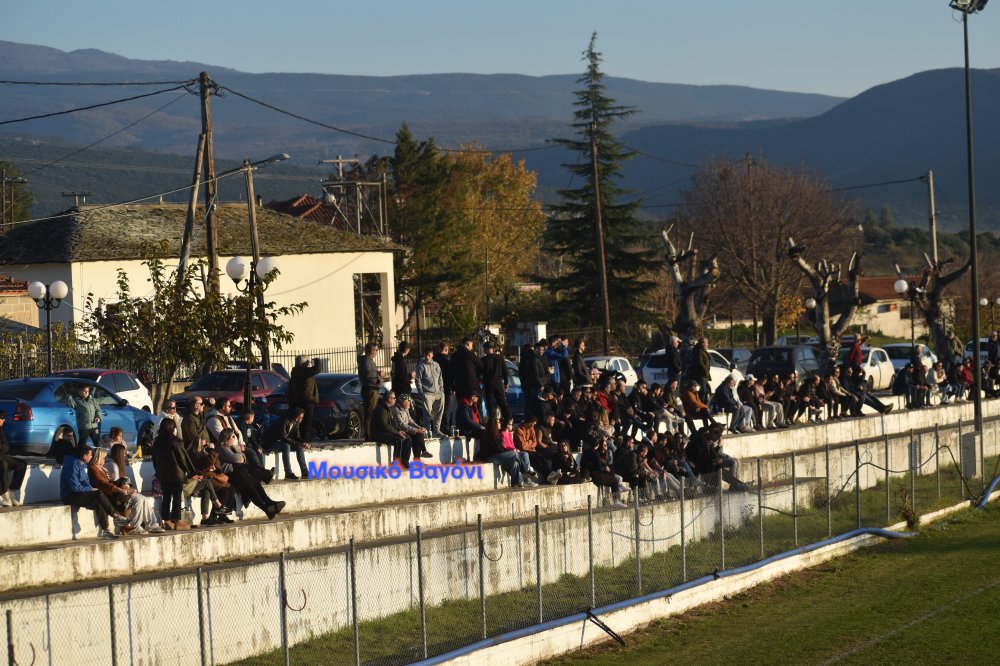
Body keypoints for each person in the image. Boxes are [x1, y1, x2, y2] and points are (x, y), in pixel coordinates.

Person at [88, 447, 164, 535]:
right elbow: (103, 484)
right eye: (103, 458)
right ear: (98, 458)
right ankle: (133, 526)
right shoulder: (93, 468)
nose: (105, 460)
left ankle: (147, 524)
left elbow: (110, 482)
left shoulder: (101, 468)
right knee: (138, 499)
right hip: (109, 495)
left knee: (142, 498)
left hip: (113, 492)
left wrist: (127, 488)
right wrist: (119, 489)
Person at [216, 428, 285, 520]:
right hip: (231, 475)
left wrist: (240, 457)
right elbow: (235, 458)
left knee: (255, 483)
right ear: (227, 438)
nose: (235, 438)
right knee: (250, 485)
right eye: (233, 436)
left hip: (240, 472)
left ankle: (269, 503)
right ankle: (267, 505)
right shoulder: (222, 448)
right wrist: (240, 458)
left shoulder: (233, 446)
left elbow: (242, 456)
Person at [60, 445, 125, 538]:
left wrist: (90, 488)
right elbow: (74, 487)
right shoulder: (72, 466)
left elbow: (86, 481)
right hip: (69, 496)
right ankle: (116, 516)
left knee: (98, 502)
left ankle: (106, 530)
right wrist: (90, 489)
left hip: (80, 493)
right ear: (84, 456)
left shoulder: (82, 464)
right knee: (98, 494)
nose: (91, 457)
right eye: (90, 455)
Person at [151, 419, 196, 530]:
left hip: (163, 474)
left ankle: (166, 520)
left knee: (166, 497)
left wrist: (158, 472)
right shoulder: (176, 441)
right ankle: (177, 520)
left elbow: (154, 459)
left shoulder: (157, 442)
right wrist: (191, 472)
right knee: (176, 496)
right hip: (177, 473)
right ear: (173, 427)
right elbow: (183, 459)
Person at [473, 418, 534, 488]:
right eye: (498, 422)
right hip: (491, 456)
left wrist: (508, 451)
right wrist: (509, 452)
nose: (500, 424)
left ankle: (516, 483)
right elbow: (495, 449)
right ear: (494, 425)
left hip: (499, 454)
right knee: (514, 454)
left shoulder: (497, 434)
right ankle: (525, 471)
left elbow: (501, 448)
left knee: (519, 459)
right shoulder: (488, 435)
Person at [261, 407, 312, 479]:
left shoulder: (296, 422)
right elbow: (283, 437)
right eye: (300, 417)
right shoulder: (284, 420)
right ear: (296, 416)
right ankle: (288, 473)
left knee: (299, 447)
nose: (301, 419)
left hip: (280, 442)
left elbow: (297, 436)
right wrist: (298, 443)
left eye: (302, 417)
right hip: (270, 442)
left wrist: (304, 443)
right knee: (286, 446)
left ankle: (304, 472)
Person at [370, 391, 413, 467]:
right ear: (389, 399)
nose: (395, 400)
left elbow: (392, 424)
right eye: (394, 398)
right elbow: (384, 425)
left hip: (386, 432)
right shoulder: (381, 409)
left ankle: (404, 462)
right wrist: (397, 433)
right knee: (399, 440)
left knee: (408, 438)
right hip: (379, 434)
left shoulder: (388, 408)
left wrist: (399, 431)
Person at [288, 356, 322, 445]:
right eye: (308, 362)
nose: (309, 363)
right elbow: (318, 369)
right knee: (306, 422)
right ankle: (304, 441)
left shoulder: (296, 371)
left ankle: (300, 440)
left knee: (299, 422)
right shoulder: (303, 371)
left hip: (298, 400)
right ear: (304, 363)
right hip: (306, 401)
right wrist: (317, 360)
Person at [0, 410, 26, 507]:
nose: (4, 420)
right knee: (3, 464)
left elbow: (6, 446)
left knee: (22, 464)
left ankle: (12, 490)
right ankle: (4, 493)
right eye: (2, 419)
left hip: (1, 455)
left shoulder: (0, 430)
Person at [480, 341, 510, 423]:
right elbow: (505, 371)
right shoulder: (500, 358)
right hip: (499, 383)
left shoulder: (483, 360)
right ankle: (508, 419)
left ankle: (493, 421)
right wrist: (506, 383)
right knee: (502, 402)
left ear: (486, 349)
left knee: (490, 403)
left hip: (488, 383)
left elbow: (479, 373)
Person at [394, 394, 432, 458]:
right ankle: (423, 451)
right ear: (403, 402)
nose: (410, 402)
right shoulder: (396, 410)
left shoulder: (405, 409)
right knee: (418, 435)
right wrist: (416, 430)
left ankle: (421, 454)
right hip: (399, 431)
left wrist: (419, 428)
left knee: (418, 436)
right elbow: (401, 425)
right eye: (408, 401)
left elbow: (410, 421)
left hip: (406, 429)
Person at [358, 342, 382, 440]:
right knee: (370, 413)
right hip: (370, 389)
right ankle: (369, 436)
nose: (377, 352)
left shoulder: (369, 360)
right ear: (372, 351)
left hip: (372, 389)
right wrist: (378, 375)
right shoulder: (366, 361)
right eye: (376, 350)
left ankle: (371, 434)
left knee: (371, 413)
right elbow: (369, 374)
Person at [66, 384, 101, 449]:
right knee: (82, 443)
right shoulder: (77, 401)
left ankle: (98, 456)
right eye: (84, 391)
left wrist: (98, 417)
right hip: (84, 427)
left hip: (94, 426)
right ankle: (79, 455)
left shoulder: (93, 400)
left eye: (87, 391)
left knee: (98, 442)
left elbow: (97, 410)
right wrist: (69, 396)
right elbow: (71, 404)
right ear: (79, 392)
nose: (86, 392)